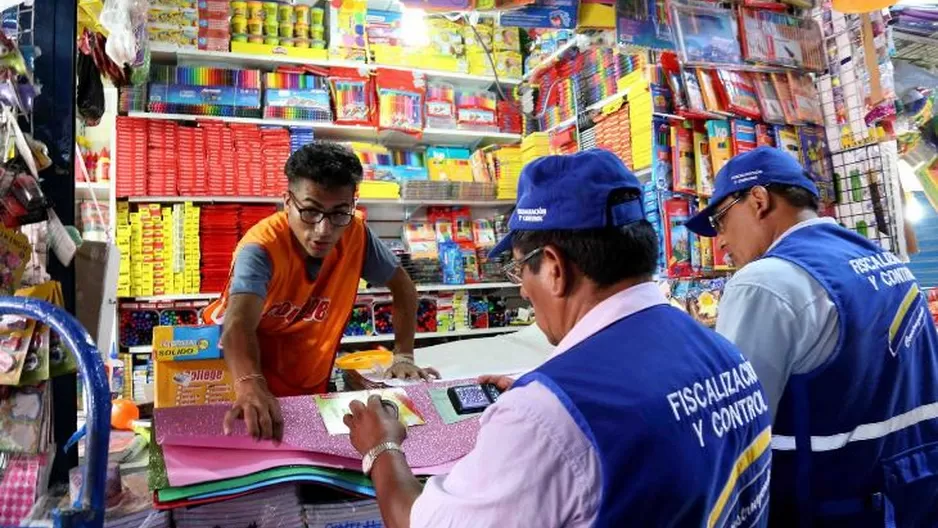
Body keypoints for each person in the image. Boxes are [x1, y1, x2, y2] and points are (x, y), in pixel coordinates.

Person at [343, 150, 773, 527]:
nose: (523, 290)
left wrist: (381, 446)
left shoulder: (545, 415)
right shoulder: (723, 353)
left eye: (517, 272)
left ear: (552, 267)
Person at [684, 146, 938, 527]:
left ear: (758, 200)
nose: (719, 241)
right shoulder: (883, 261)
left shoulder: (764, 282)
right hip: (912, 498)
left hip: (825, 507)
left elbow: (736, 438)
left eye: (721, 221)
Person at [203, 141, 438, 441]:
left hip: (313, 387)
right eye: (311, 211)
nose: (323, 231)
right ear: (287, 201)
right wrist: (249, 384)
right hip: (249, 389)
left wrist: (403, 355)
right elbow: (236, 326)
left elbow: (404, 288)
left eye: (340, 212)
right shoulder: (260, 248)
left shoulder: (356, 234)